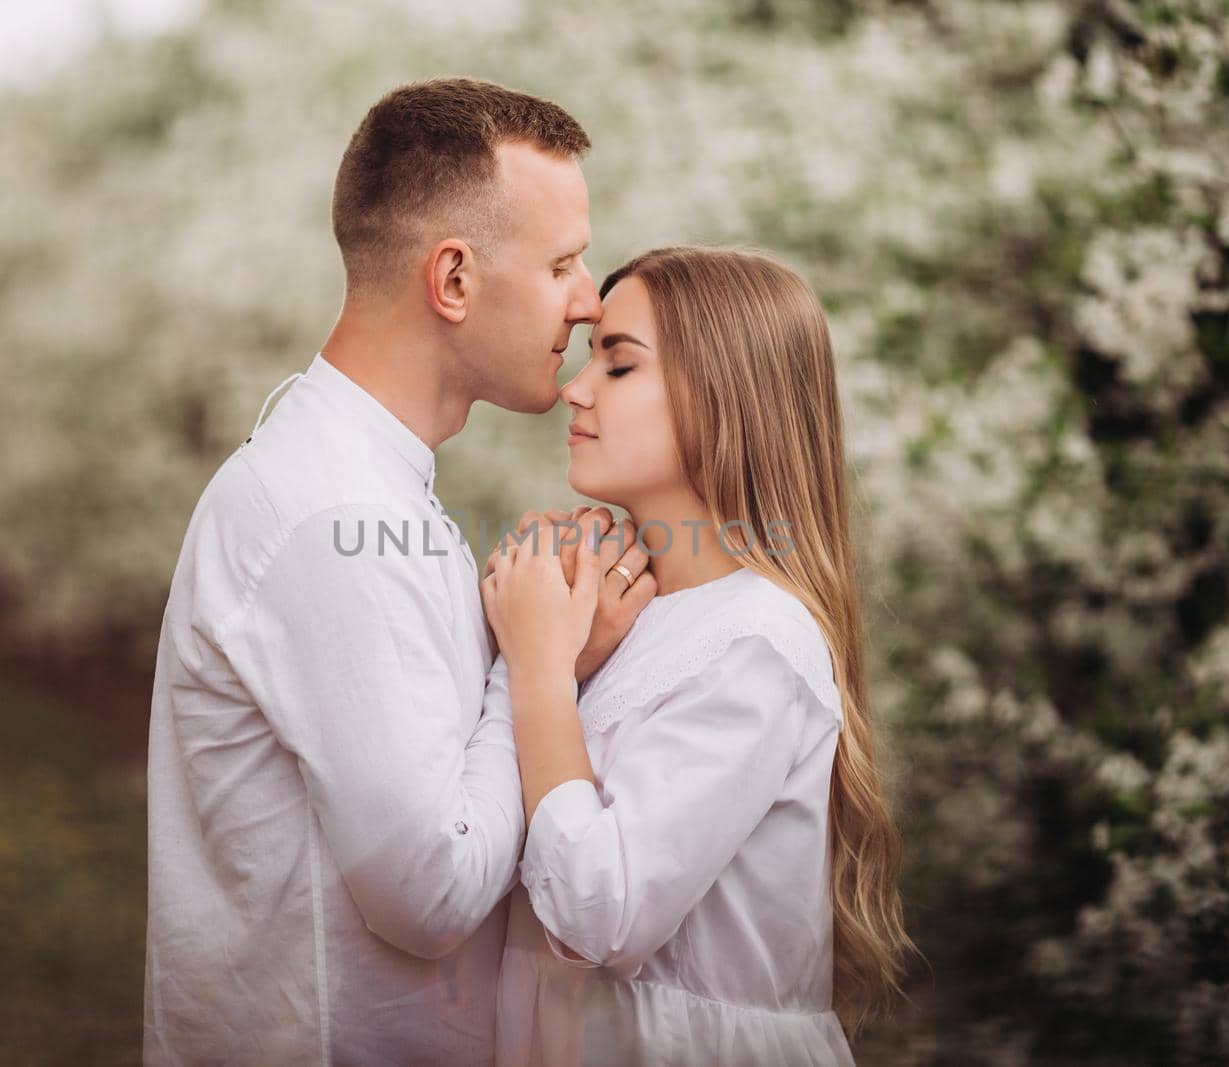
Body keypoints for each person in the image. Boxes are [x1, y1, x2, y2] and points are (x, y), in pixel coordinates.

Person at [144, 78, 645, 1065]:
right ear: (452, 279)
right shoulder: (339, 514)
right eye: (562, 263)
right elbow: (434, 893)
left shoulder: (361, 484)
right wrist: (536, 664)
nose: (589, 302)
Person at [480, 247, 915, 1066]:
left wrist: (537, 670)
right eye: (588, 359)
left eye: (618, 364)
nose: (575, 388)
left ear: (724, 394)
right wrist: (563, 658)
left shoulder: (759, 640)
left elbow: (599, 912)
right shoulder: (615, 618)